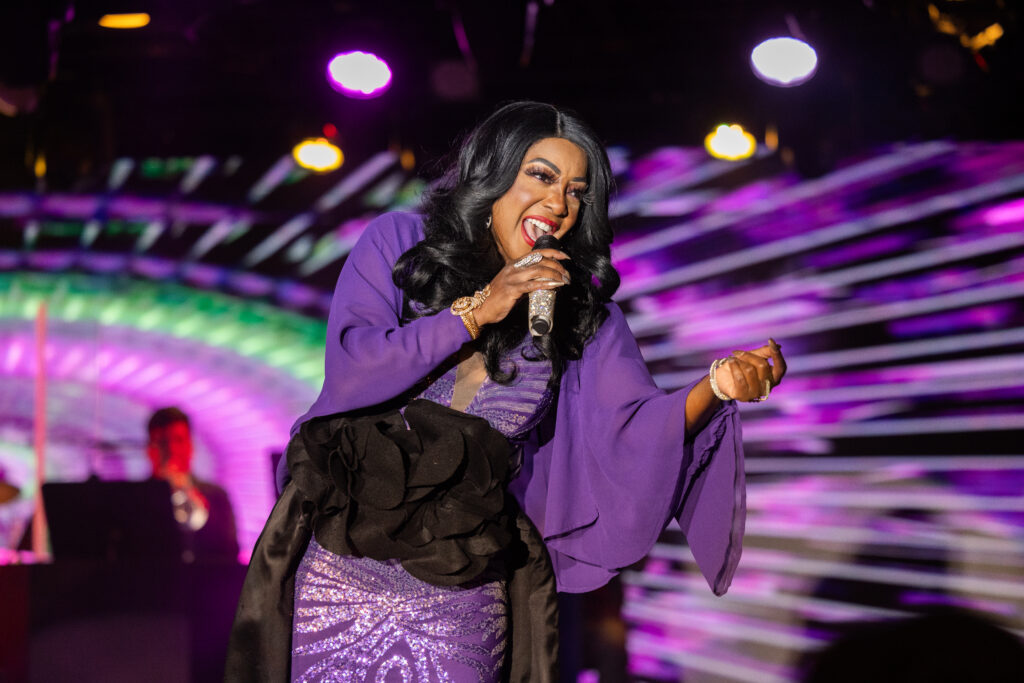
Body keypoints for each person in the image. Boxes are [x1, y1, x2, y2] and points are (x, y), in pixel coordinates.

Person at [226, 101, 787, 682]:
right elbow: (356, 366)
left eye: (576, 192)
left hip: (463, 583)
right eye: (541, 176)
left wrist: (717, 385)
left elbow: (634, 430)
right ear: (493, 173)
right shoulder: (401, 246)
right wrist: (477, 311)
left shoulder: (580, 314)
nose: (558, 204)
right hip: (342, 568)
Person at [147, 406, 239, 561]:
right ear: (149, 449)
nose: (172, 450)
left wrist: (194, 499)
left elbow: (230, 553)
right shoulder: (138, 500)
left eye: (179, 440)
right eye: (163, 442)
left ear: (191, 446)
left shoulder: (217, 497)